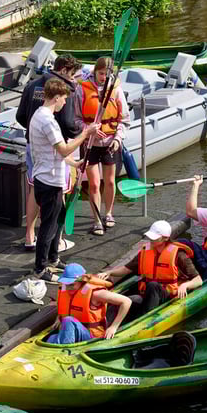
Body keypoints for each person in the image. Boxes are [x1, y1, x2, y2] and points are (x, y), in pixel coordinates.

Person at [28, 78, 100, 282]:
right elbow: (64, 149)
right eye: (64, 99)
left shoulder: (40, 115)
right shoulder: (47, 121)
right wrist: (86, 133)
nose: (65, 103)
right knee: (49, 225)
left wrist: (74, 164)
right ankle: (40, 268)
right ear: (56, 97)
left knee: (59, 219)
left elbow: (57, 152)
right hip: (49, 181)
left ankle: (53, 257)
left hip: (50, 178)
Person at [16, 53, 82, 253]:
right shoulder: (64, 90)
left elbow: (20, 116)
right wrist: (82, 132)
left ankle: (29, 236)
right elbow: (69, 124)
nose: (73, 79)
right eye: (72, 74)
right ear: (64, 70)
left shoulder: (31, 85)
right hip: (56, 148)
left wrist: (35, 131)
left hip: (32, 144)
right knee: (59, 191)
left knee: (33, 187)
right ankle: (56, 241)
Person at [97, 220, 202, 319]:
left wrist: (185, 285)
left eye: (154, 238)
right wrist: (109, 272)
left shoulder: (179, 255)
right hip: (147, 293)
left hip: (167, 295)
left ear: (165, 238)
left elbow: (198, 280)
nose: (151, 239)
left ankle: (143, 318)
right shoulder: (146, 251)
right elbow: (126, 269)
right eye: (150, 236)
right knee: (129, 299)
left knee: (153, 285)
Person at [74, 56, 130, 236]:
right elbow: (76, 119)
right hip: (89, 143)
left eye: (106, 74)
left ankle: (109, 213)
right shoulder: (81, 89)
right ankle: (97, 220)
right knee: (94, 184)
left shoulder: (116, 90)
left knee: (110, 181)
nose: (103, 77)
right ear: (95, 72)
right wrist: (88, 130)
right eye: (100, 73)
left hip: (110, 143)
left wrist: (118, 139)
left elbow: (124, 119)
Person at [47, 263, 131, 344]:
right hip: (71, 331)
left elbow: (126, 301)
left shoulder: (96, 294)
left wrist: (114, 327)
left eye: (72, 285)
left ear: (82, 281)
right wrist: (59, 318)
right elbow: (64, 306)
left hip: (91, 336)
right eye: (66, 284)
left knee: (68, 320)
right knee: (50, 339)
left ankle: (63, 348)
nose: (68, 288)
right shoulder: (64, 289)